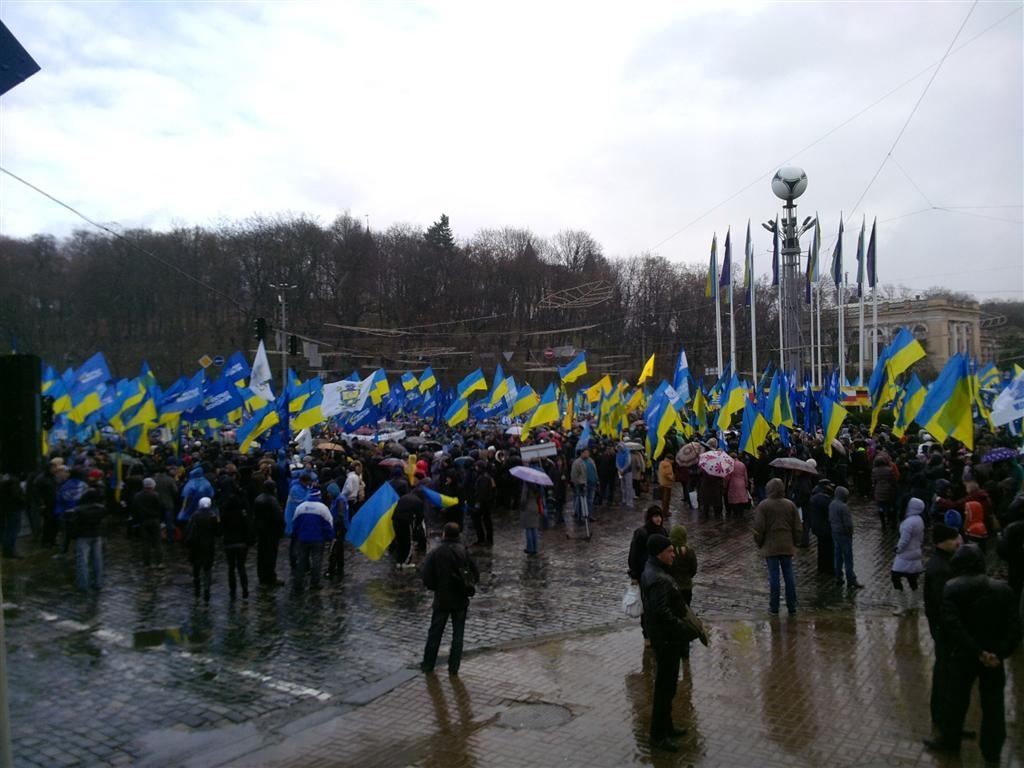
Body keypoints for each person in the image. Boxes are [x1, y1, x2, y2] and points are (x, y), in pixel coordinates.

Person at [935, 544, 1021, 763]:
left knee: (957, 699)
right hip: (994, 658)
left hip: (965, 656)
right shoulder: (1004, 590)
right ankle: (991, 753)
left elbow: (953, 626)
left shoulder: (952, 588)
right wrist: (998, 654)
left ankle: (950, 740)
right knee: (993, 706)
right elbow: (1015, 628)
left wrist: (976, 651)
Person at [640, 533, 692, 752]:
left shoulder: (653, 571)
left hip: (664, 637)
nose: (673, 554)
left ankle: (666, 726)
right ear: (660, 553)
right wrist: (684, 629)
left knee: (668, 686)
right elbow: (662, 612)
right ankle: (659, 735)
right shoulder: (658, 578)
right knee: (664, 687)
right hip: (667, 639)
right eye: (670, 551)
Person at [922, 523, 963, 752]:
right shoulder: (939, 569)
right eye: (953, 538)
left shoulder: (945, 564)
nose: (957, 542)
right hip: (946, 633)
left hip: (946, 631)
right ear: (942, 541)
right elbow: (940, 605)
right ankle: (943, 721)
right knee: (945, 677)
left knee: (950, 677)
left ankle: (951, 722)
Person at [420, 522, 479, 676]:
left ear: (444, 534)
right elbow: (475, 574)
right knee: (458, 635)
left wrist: (436, 587)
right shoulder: (463, 552)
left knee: (435, 633)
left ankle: (428, 665)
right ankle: (454, 667)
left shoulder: (436, 552)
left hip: (442, 599)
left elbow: (426, 575)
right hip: (460, 599)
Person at [752, 478, 801, 615]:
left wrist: (760, 543)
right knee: (789, 576)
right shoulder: (790, 505)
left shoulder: (764, 506)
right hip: (787, 545)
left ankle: (774, 607)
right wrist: (795, 542)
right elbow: (798, 527)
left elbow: (758, 528)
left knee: (774, 578)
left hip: (770, 545)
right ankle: (792, 606)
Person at [291, 488, 334, 594]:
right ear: (319, 496)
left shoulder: (300, 507)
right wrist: (330, 537)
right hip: (317, 539)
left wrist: (296, 535)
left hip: (303, 539)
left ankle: (298, 584)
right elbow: (328, 525)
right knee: (317, 561)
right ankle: (314, 583)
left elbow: (295, 524)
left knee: (301, 561)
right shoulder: (323, 508)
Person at [667, 524, 698, 661]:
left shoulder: (669, 551)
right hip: (686, 587)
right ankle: (685, 645)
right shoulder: (689, 552)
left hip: (673, 588)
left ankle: (674, 640)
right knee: (685, 615)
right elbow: (693, 569)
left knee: (673, 614)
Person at [892, 497, 927, 615]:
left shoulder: (908, 522)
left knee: (895, 576)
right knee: (912, 579)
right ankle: (915, 603)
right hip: (916, 553)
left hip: (905, 555)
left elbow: (904, 539)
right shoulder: (919, 520)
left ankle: (902, 606)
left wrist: (898, 549)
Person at [69, 487, 106, 591]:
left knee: (82, 561)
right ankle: (98, 583)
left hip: (83, 536)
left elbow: (74, 524)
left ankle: (83, 584)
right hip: (96, 535)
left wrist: (73, 535)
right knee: (98, 560)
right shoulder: (101, 509)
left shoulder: (79, 510)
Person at [220, 482, 253, 600]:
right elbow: (248, 529)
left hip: (229, 543)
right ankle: (245, 590)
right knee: (241, 567)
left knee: (231, 568)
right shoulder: (242, 515)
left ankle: (232, 590)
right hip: (241, 544)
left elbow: (220, 530)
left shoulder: (224, 515)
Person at [828, 486, 863, 589]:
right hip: (844, 534)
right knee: (848, 558)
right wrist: (850, 533)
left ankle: (838, 577)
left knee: (837, 556)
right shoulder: (843, 507)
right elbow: (848, 524)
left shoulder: (832, 504)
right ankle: (851, 579)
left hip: (835, 532)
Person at [252, 480, 285, 587]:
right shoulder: (272, 500)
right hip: (271, 531)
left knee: (261, 554)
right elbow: (279, 516)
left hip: (261, 530)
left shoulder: (258, 498)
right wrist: (281, 529)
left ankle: (262, 576)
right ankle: (270, 577)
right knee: (271, 555)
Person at [186, 497, 219, 602]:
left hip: (196, 545)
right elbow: (218, 532)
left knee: (196, 567)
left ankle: (197, 590)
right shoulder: (213, 516)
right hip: (209, 545)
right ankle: (206, 589)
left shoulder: (194, 516)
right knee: (207, 568)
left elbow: (188, 530)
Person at [130, 478, 164, 568]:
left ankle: (147, 562)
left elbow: (134, 509)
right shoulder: (156, 495)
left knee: (145, 543)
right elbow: (161, 508)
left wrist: (136, 520)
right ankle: (159, 562)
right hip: (155, 520)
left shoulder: (137, 496)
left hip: (143, 521)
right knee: (157, 542)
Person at [807, 479, 835, 576]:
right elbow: (830, 512)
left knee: (822, 548)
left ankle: (822, 568)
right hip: (825, 528)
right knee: (827, 549)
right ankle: (828, 569)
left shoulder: (815, 496)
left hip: (817, 526)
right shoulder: (823, 499)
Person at [872, 454, 899, 531]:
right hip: (889, 491)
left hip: (878, 491)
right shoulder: (889, 470)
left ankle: (883, 524)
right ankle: (892, 523)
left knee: (881, 508)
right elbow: (893, 480)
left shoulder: (874, 470)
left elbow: (874, 481)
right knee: (890, 507)